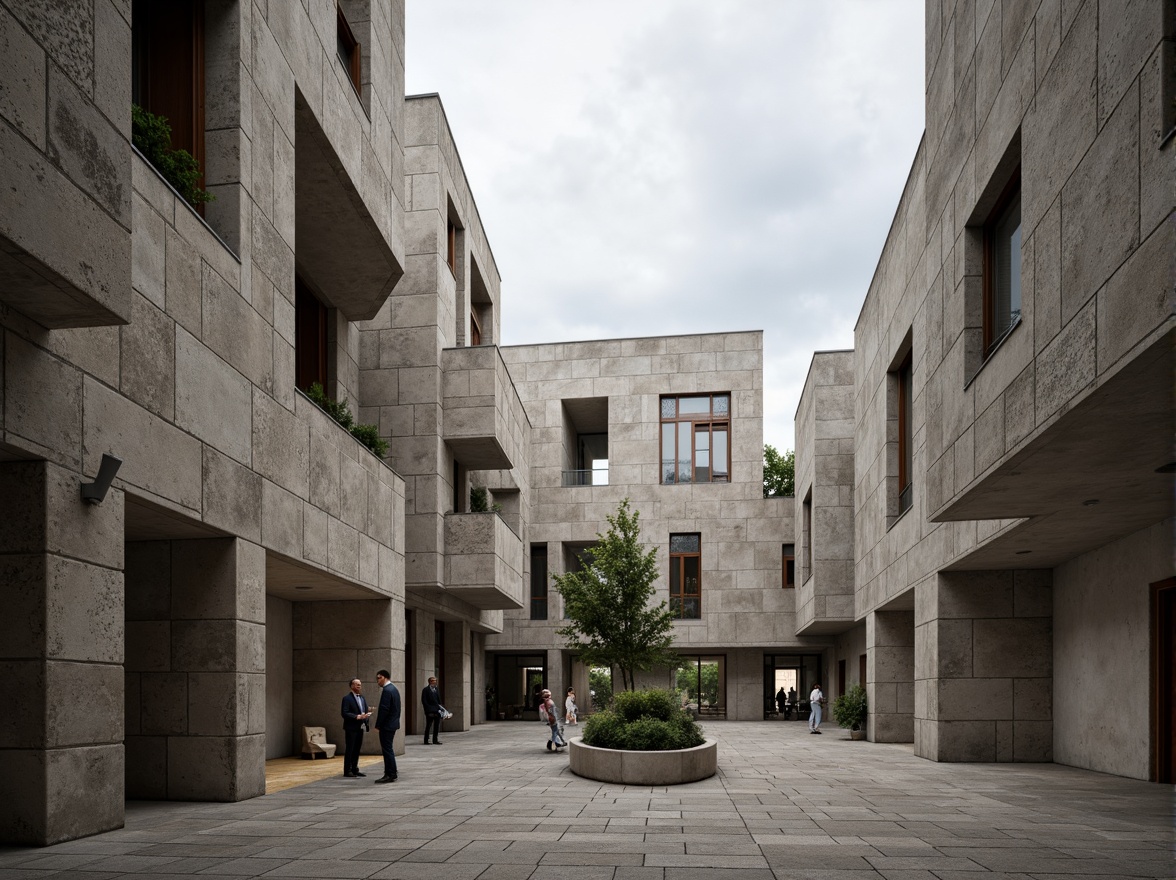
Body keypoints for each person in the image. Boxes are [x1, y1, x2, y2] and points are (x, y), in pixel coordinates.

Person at [340, 678, 372, 777]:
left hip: (360, 727)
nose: (359, 686)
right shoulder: (347, 698)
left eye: (360, 684)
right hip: (351, 727)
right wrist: (357, 717)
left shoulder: (362, 698)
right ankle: (347, 770)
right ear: (352, 686)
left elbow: (365, 710)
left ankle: (355, 768)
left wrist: (366, 716)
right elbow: (344, 713)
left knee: (357, 749)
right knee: (350, 748)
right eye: (357, 684)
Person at [373, 669, 401, 782]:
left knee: (387, 749)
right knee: (389, 748)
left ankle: (390, 773)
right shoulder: (394, 689)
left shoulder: (387, 690)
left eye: (379, 678)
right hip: (392, 724)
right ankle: (392, 771)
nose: (377, 681)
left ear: (385, 677)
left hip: (387, 725)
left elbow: (384, 709)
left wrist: (378, 725)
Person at [421, 676, 443, 745]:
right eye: (433, 681)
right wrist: (428, 710)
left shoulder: (436, 689)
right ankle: (426, 740)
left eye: (435, 681)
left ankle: (435, 740)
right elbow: (424, 701)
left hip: (437, 710)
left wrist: (440, 708)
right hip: (430, 711)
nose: (434, 682)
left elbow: (438, 700)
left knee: (436, 726)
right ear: (429, 682)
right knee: (429, 725)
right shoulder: (426, 690)